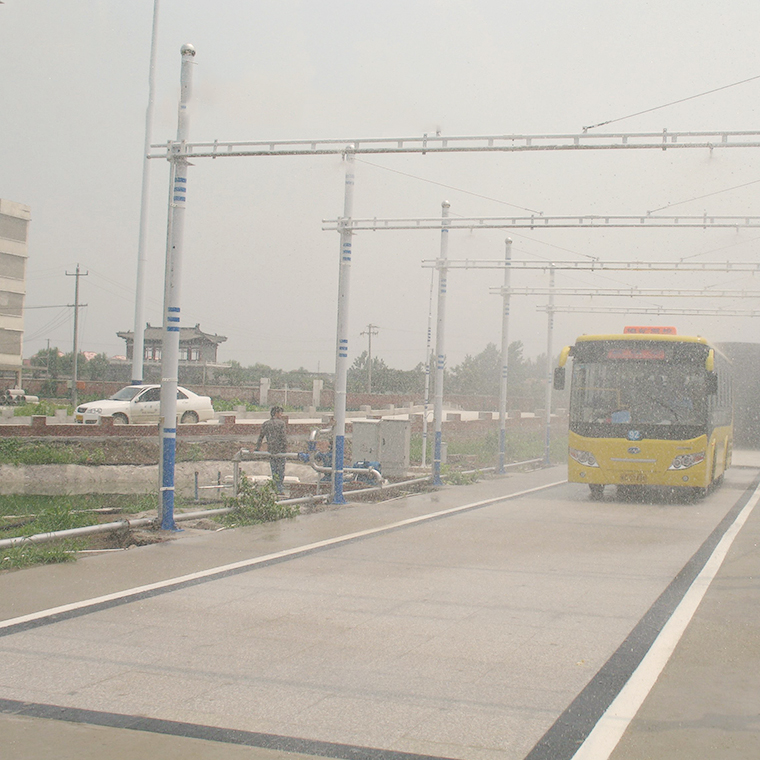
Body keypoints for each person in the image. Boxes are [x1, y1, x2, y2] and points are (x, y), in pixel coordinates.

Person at [255, 406, 287, 494]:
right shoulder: (281, 424)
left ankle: (276, 487)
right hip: (280, 450)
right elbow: (283, 437)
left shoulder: (266, 424)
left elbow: (261, 437)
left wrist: (257, 448)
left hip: (271, 450)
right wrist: (285, 449)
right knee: (281, 470)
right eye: (280, 413)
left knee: (274, 470)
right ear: (276, 413)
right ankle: (279, 488)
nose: (281, 415)